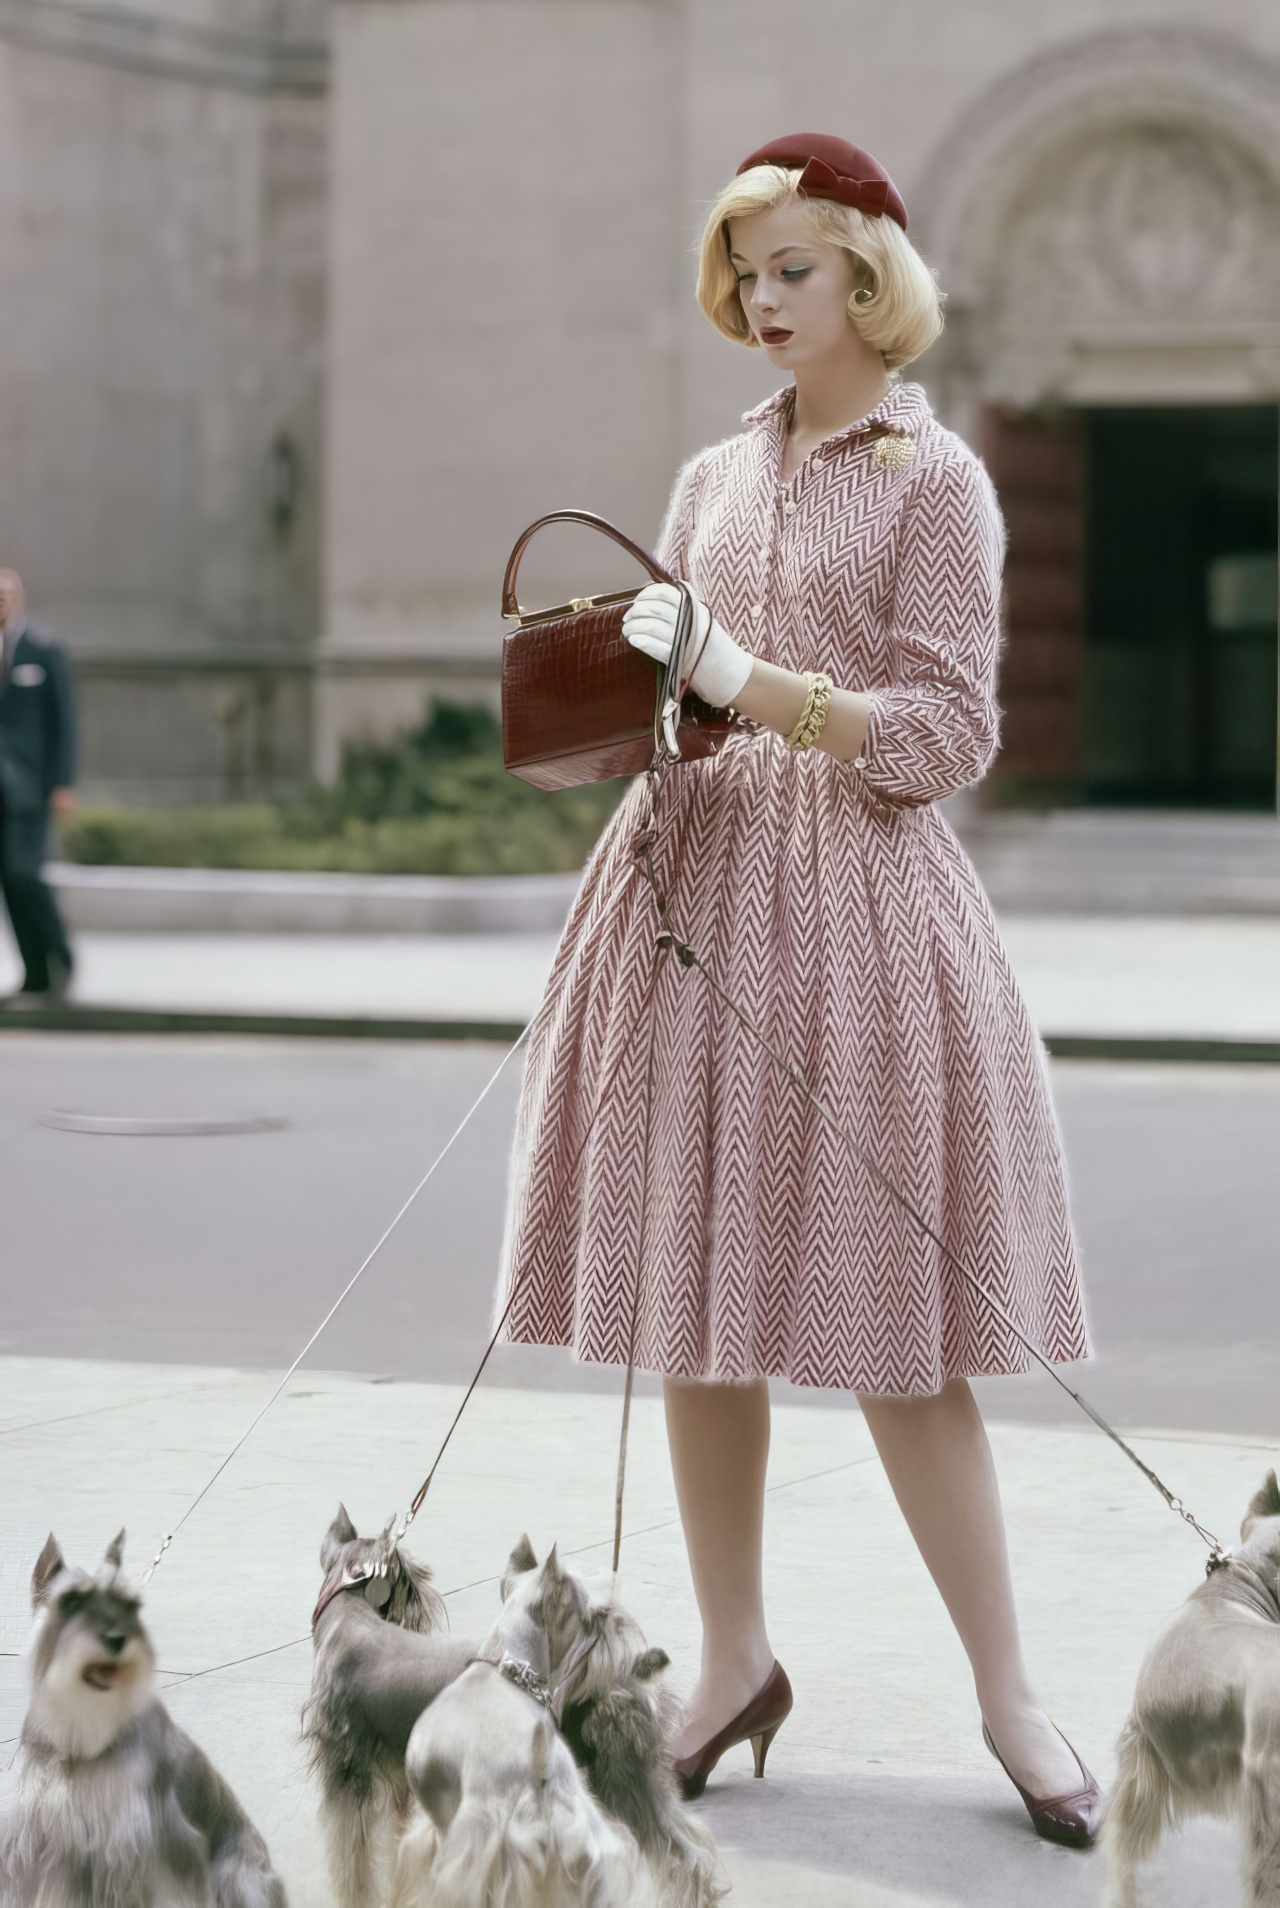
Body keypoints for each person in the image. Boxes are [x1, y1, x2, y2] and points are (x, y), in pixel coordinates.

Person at [492, 135, 1100, 1846]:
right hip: (686, 889)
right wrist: (636, 690)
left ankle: (1007, 1690)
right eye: (746, 269)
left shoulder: (942, 480)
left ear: (870, 280)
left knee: (897, 1329)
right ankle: (733, 1656)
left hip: (859, 910)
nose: (764, 300)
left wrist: (753, 680)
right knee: (698, 1309)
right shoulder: (706, 477)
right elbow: (676, 705)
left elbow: (949, 737)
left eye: (795, 269)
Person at [0, 567, 77, 1004]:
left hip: (29, 788)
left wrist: (63, 782)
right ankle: (33, 974)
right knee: (7, 883)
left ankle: (61, 958)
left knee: (24, 874)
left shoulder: (44, 649)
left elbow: (65, 721)